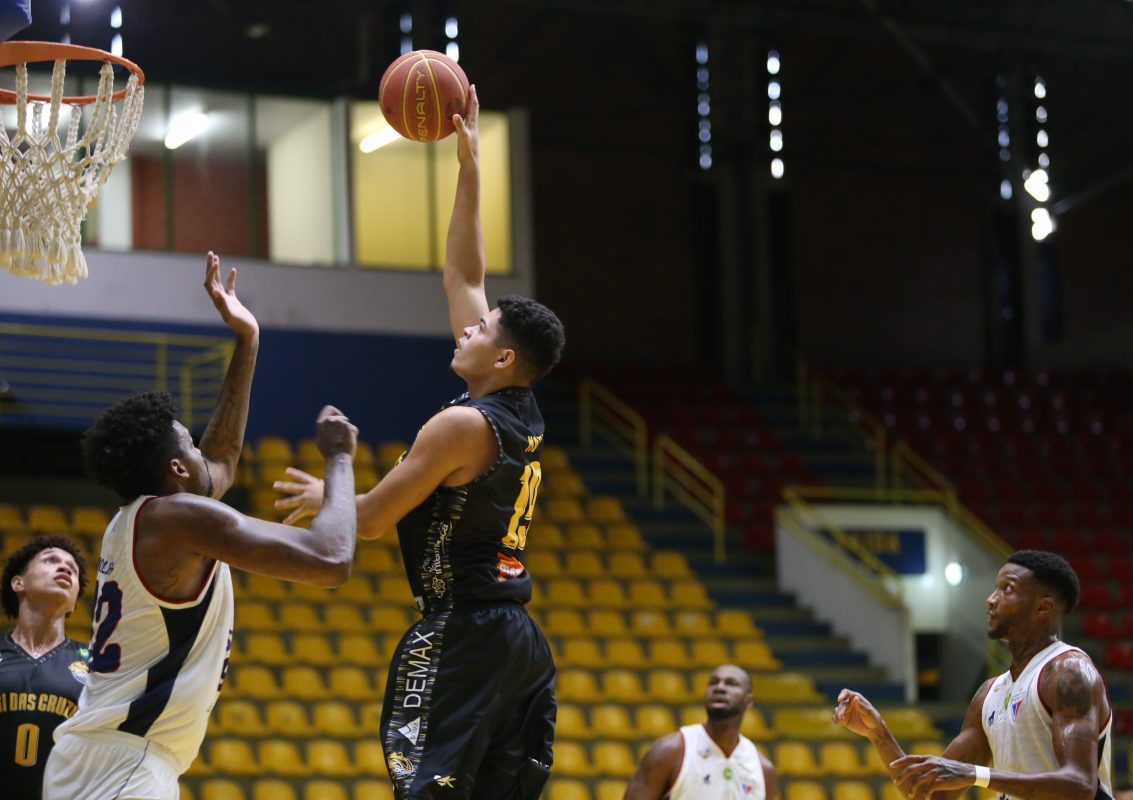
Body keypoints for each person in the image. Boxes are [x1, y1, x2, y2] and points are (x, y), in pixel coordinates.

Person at [274, 86, 566, 800]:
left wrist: (332, 483)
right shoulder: (518, 408)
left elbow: (372, 521)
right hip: (518, 641)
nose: (467, 327)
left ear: (503, 358)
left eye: (481, 329)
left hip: (465, 630)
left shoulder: (460, 425)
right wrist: (469, 166)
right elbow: (465, 273)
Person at [42, 252, 360, 800]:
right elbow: (331, 559)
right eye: (190, 443)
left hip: (108, 758)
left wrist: (248, 340)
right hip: (124, 762)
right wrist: (339, 459)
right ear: (175, 469)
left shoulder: (146, 520)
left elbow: (223, 458)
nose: (201, 450)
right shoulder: (176, 518)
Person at [834, 549, 1112, 800]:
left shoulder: (1069, 673)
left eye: (1007, 589)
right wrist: (879, 734)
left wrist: (975, 774)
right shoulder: (989, 694)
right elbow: (931, 794)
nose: (990, 600)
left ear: (1043, 607)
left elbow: (1080, 786)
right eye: (995, 588)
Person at [0, 535, 89, 799]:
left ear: (74, 601)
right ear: (18, 583)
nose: (64, 568)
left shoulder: (97, 663)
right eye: (51, 560)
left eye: (72, 569)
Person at [624, 664, 778, 800]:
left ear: (748, 701)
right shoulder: (671, 751)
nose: (719, 688)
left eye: (731, 684)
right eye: (713, 683)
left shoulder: (763, 770)